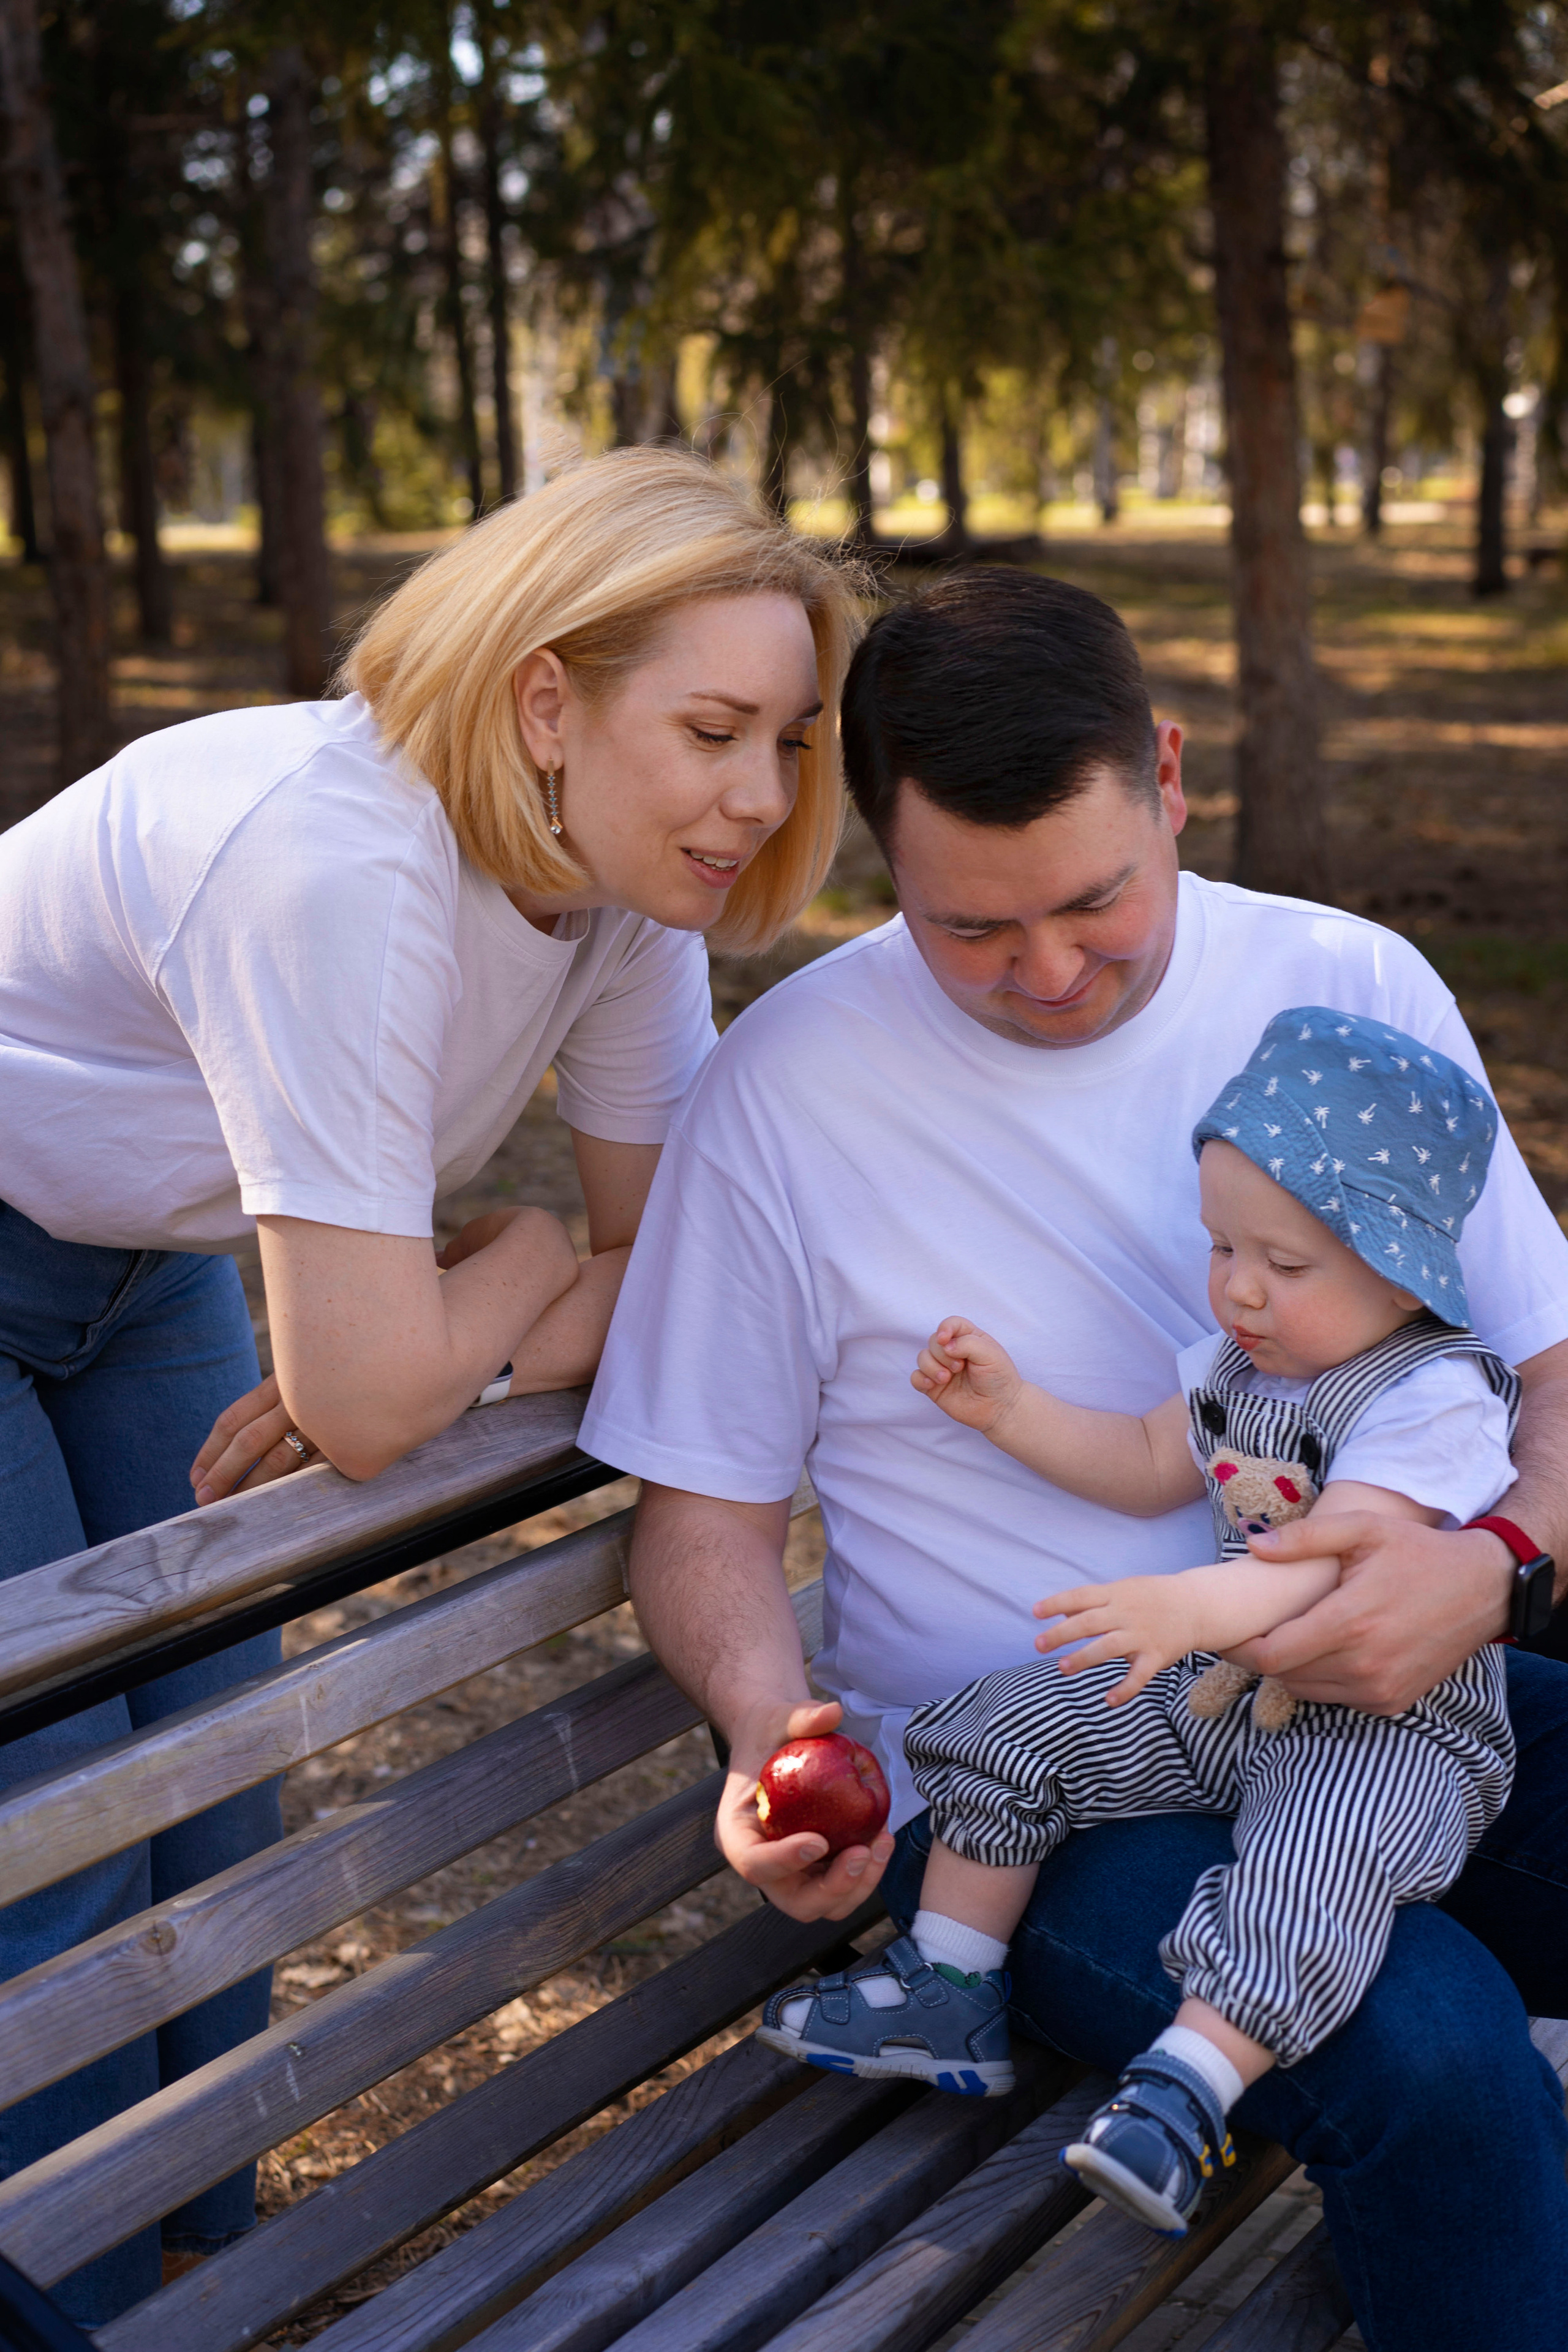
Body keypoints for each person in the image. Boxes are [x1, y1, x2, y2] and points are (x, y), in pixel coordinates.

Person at [583, 568, 1568, 2350]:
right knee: (1430, 2054)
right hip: (1029, 1798)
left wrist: (1502, 1564)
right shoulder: (782, 1097)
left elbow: (1557, 1374)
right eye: (969, 928)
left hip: (1384, 1703)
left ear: (1169, 777)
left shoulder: (1349, 990)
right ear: (876, 850)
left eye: (1097, 902)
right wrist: (758, 1724)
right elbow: (700, 1518)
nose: (1045, 972)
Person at [0, 447, 861, 2324]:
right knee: (49, 1796)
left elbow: (697, 1280)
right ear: (546, 698)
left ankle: (192, 2266)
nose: (753, 795)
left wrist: (475, 1298)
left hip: (138, 1263)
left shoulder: (626, 892)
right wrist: (534, 1258)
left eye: (788, 740)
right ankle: (55, 2294)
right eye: (711, 727)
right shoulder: (333, 861)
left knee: (215, 1750)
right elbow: (386, 1394)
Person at [758, 1010, 1520, 2242]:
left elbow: (1335, 1563)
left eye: (1282, 1263)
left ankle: (1185, 2090)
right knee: (1018, 1720)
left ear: (1395, 1268)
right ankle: (947, 1985)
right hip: (1226, 1691)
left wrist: (1182, 1607)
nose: (1236, 1286)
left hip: (1386, 1725)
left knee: (1312, 1869)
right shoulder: (1233, 1363)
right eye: (1223, 1245)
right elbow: (1139, 1463)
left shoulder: (1430, 1398)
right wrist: (1009, 1412)